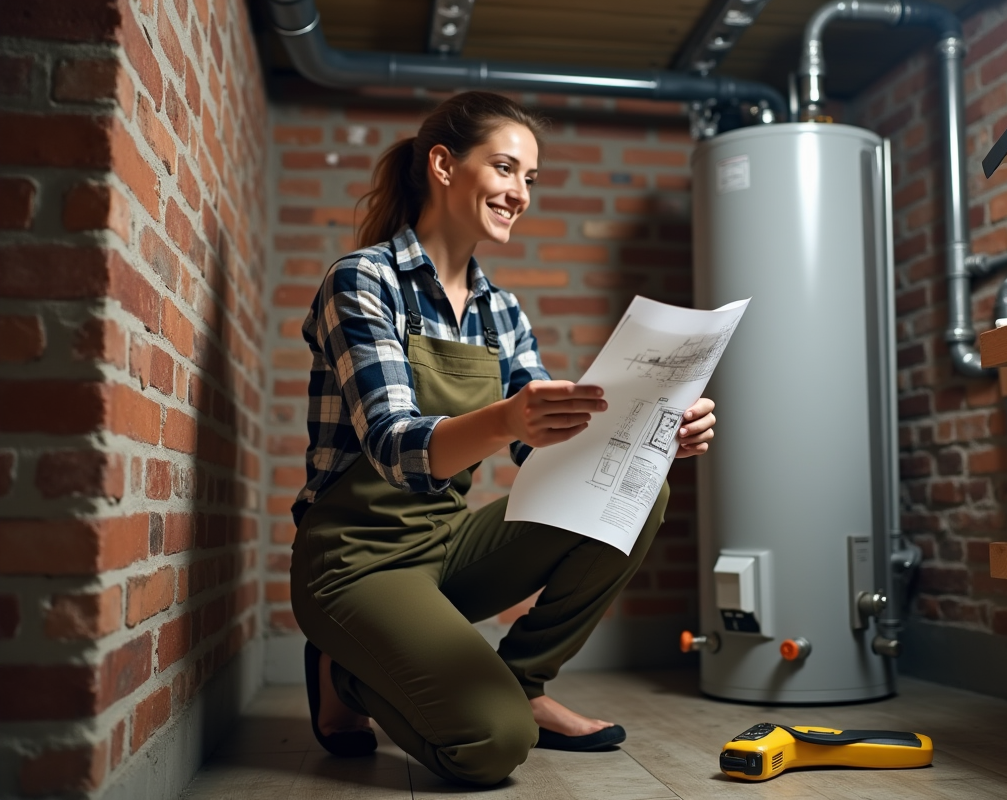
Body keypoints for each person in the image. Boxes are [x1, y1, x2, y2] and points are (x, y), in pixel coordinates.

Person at [289, 91, 717, 787]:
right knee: (492, 744)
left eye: (530, 178)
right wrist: (506, 418)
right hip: (355, 558)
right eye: (506, 168)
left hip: (446, 544)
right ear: (443, 166)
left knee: (643, 491)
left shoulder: (501, 310)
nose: (521, 193)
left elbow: (548, 451)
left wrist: (657, 435)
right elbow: (394, 446)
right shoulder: (364, 280)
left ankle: (522, 679)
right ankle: (348, 672)